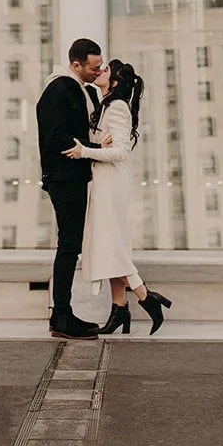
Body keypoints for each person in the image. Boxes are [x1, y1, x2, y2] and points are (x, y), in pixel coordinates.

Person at [65, 59, 172, 335]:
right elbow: (106, 144)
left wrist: (84, 152)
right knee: (109, 243)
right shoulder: (106, 106)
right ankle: (119, 309)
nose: (99, 71)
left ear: (114, 82)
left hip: (112, 182)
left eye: (105, 70)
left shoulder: (118, 107)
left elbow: (121, 151)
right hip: (103, 180)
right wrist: (95, 146)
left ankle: (146, 296)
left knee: (111, 244)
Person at [36, 37, 108, 339]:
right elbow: (56, 136)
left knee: (70, 245)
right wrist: (90, 149)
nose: (97, 71)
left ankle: (63, 314)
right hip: (65, 178)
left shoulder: (74, 88)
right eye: (93, 67)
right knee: (68, 246)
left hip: (69, 177)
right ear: (76, 64)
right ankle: (61, 316)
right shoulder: (60, 88)